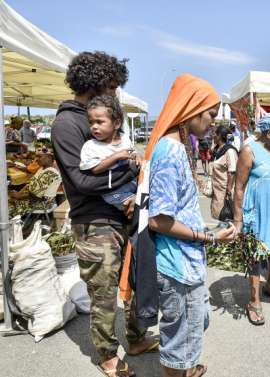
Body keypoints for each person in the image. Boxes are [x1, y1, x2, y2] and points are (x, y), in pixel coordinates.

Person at [51, 51, 155, 377]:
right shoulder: (67, 124)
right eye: (112, 86)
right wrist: (128, 172)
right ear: (96, 83)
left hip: (122, 214)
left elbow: (124, 162)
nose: (115, 93)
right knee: (104, 292)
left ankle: (136, 338)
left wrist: (132, 183)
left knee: (134, 282)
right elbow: (81, 182)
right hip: (94, 222)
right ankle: (108, 356)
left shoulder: (101, 116)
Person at [147, 74, 236, 377]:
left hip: (184, 262)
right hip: (177, 267)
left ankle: (187, 368)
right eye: (210, 115)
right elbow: (159, 220)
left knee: (192, 326)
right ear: (192, 109)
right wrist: (208, 238)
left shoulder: (177, 147)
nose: (213, 122)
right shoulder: (170, 152)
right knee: (179, 342)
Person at [233, 112, 270, 326]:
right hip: (257, 212)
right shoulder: (250, 151)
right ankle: (254, 300)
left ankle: (269, 287)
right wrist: (238, 219)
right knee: (256, 254)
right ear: (269, 133)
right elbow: (239, 186)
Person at [80, 94, 138, 210]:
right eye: (91, 122)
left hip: (133, 184)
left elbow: (132, 155)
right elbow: (95, 169)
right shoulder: (91, 146)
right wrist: (116, 156)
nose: (94, 127)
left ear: (116, 124)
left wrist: (138, 158)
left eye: (99, 122)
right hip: (115, 194)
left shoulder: (124, 138)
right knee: (139, 209)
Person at [8, 150, 61, 217]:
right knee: (7, 200)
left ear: (49, 158)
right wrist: (19, 193)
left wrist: (19, 196)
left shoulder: (50, 173)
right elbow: (32, 186)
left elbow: (37, 196)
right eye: (36, 157)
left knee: (6, 206)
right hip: (33, 198)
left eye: (40, 157)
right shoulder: (42, 168)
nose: (36, 159)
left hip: (41, 203)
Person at [210, 125, 238, 219]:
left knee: (227, 216)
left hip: (226, 191)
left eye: (215, 134)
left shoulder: (229, 151)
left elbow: (232, 171)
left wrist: (229, 190)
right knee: (219, 215)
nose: (213, 136)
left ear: (219, 136)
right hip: (218, 190)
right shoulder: (217, 150)